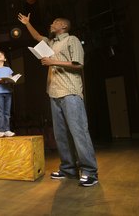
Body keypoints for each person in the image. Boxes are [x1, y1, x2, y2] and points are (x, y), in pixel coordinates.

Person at [18, 13, 99, 187]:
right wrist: (27, 23)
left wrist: (53, 62)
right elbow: (37, 37)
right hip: (54, 93)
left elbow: (78, 64)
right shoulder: (51, 42)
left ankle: (90, 172)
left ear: (63, 26)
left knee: (78, 132)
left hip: (70, 92)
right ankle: (68, 169)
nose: (51, 24)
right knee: (60, 135)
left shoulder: (72, 40)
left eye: (55, 22)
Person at [0, 50, 15, 137]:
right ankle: (0, 130)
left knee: (7, 112)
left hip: (8, 91)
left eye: (2, 54)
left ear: (5, 59)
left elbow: (12, 79)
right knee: (0, 112)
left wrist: (10, 81)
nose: (0, 55)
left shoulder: (8, 69)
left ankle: (7, 129)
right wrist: (0, 81)